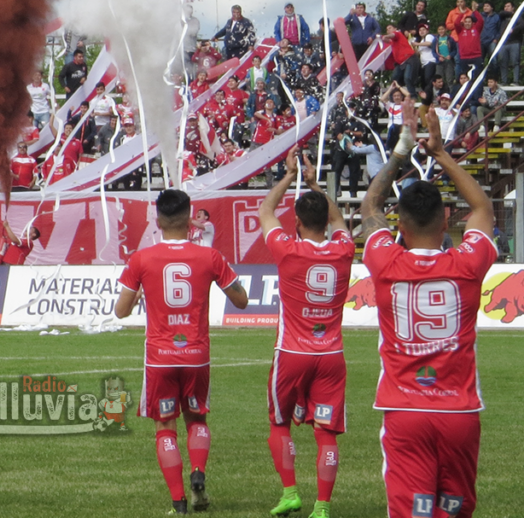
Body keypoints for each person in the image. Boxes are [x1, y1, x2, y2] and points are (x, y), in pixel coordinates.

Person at [361, 96, 496, 518]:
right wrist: (440, 152)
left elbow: (369, 207)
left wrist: (402, 149)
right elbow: (483, 208)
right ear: (446, 223)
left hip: (404, 410)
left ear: (399, 225)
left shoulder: (384, 259)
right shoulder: (468, 262)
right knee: (453, 511)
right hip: (459, 410)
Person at [114, 190, 249, 514]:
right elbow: (241, 300)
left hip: (160, 357)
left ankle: (178, 501)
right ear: (190, 220)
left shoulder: (142, 259)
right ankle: (198, 474)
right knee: (197, 417)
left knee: (164, 426)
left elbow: (120, 311)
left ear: (157, 221)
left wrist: (142, 294)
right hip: (196, 355)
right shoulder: (210, 257)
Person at [258, 148, 353, 518]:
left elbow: (266, 211)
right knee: (326, 431)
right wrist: (314, 183)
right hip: (331, 355)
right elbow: (341, 218)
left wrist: (288, 176)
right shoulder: (344, 250)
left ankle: (290, 492)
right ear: (326, 224)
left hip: (292, 353)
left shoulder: (287, 250)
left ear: (296, 222)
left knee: (279, 422)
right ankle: (323, 506)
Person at [498, 1, 522, 85]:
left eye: (508, 6)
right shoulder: (502, 17)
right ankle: (504, 81)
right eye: (505, 6)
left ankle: (515, 81)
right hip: (503, 43)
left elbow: (522, 25)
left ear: (513, 8)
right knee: (503, 63)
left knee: (515, 62)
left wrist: (513, 30)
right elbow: (500, 13)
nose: (506, 8)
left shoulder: (517, 16)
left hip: (514, 42)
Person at [454, 14, 483, 81]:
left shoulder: (476, 29)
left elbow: (481, 21)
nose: (467, 23)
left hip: (476, 56)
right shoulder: (460, 30)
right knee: (465, 77)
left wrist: (475, 11)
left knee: (477, 77)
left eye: (469, 22)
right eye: (466, 21)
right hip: (464, 57)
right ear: (463, 23)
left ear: (473, 23)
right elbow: (456, 23)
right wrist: (462, 14)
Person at [434, 24, 457, 88]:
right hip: (439, 62)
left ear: (445, 30)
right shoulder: (436, 39)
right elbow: (434, 51)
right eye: (439, 29)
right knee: (439, 79)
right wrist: (438, 57)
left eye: (442, 29)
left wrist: (451, 55)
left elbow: (455, 50)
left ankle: (450, 95)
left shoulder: (450, 39)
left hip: (449, 61)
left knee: (449, 79)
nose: (441, 31)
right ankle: (440, 95)